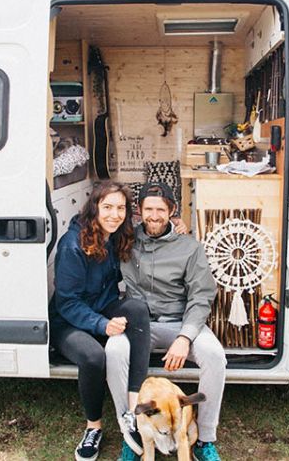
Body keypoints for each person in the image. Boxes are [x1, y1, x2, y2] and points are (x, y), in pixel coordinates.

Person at [106, 181, 227, 461]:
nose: (154, 216)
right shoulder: (125, 239)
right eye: (148, 209)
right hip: (139, 325)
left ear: (172, 211)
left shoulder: (190, 247)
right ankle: (132, 431)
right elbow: (96, 223)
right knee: (114, 351)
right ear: (139, 211)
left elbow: (201, 296)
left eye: (161, 209)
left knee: (214, 355)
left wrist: (185, 338)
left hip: (179, 322)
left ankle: (206, 438)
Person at [49, 181, 151, 461]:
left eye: (120, 208)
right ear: (94, 208)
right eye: (107, 207)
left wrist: (174, 222)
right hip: (68, 319)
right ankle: (93, 427)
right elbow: (67, 302)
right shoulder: (73, 244)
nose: (114, 215)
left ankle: (132, 409)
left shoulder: (116, 234)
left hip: (102, 305)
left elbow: (150, 230)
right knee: (94, 356)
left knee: (138, 310)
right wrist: (101, 325)